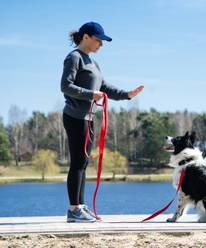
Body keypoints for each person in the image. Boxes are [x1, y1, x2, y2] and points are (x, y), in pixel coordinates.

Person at [61, 21, 144, 223]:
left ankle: (80, 206)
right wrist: (91, 94)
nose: (101, 45)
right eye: (99, 40)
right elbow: (65, 86)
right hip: (75, 117)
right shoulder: (74, 58)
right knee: (78, 163)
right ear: (86, 37)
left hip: (88, 118)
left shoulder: (92, 61)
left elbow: (104, 87)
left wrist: (127, 95)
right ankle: (73, 209)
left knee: (83, 162)